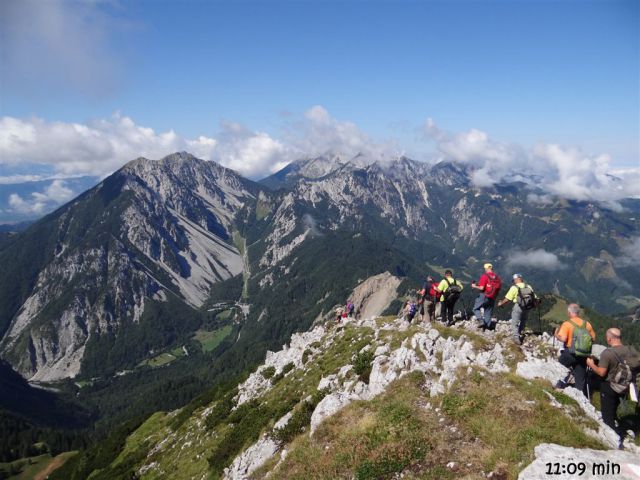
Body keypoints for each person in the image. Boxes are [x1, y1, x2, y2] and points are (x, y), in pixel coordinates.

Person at [586, 328, 640, 443]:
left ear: (610, 338)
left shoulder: (608, 353)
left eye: (607, 338)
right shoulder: (632, 350)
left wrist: (591, 364)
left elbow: (601, 372)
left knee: (607, 416)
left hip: (610, 387)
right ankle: (619, 424)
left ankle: (613, 441)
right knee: (614, 408)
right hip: (626, 386)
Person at [554, 303, 596, 394]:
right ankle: (578, 397)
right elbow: (593, 339)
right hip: (583, 355)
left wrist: (556, 335)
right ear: (578, 313)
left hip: (570, 353)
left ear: (569, 312)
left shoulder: (567, 324)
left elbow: (563, 338)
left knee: (559, 370)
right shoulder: (587, 324)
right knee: (580, 379)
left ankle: (558, 388)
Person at [497, 273, 536, 344]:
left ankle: (516, 338)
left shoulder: (514, 287)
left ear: (517, 279)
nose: (514, 281)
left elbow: (507, 299)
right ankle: (520, 332)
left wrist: (500, 303)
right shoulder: (528, 286)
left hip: (518, 306)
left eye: (514, 280)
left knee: (514, 323)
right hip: (527, 306)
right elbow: (534, 297)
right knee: (523, 320)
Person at [471, 263, 501, 331]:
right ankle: (488, 328)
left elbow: (481, 288)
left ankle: (481, 321)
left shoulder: (485, 276)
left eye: (485, 268)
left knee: (475, 309)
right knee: (488, 313)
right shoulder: (497, 278)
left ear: (486, 268)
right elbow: (498, 289)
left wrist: (474, 286)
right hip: (493, 297)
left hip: (484, 296)